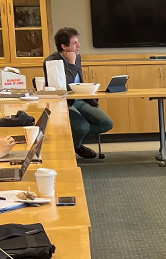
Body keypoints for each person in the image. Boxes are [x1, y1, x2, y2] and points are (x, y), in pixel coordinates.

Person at [45, 27, 113, 160]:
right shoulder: (51, 62)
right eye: (75, 43)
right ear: (64, 46)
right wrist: (71, 64)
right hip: (64, 103)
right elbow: (62, 88)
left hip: (80, 100)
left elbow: (78, 83)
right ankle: (76, 145)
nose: (79, 45)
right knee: (83, 127)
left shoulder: (78, 57)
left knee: (106, 123)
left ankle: (73, 144)